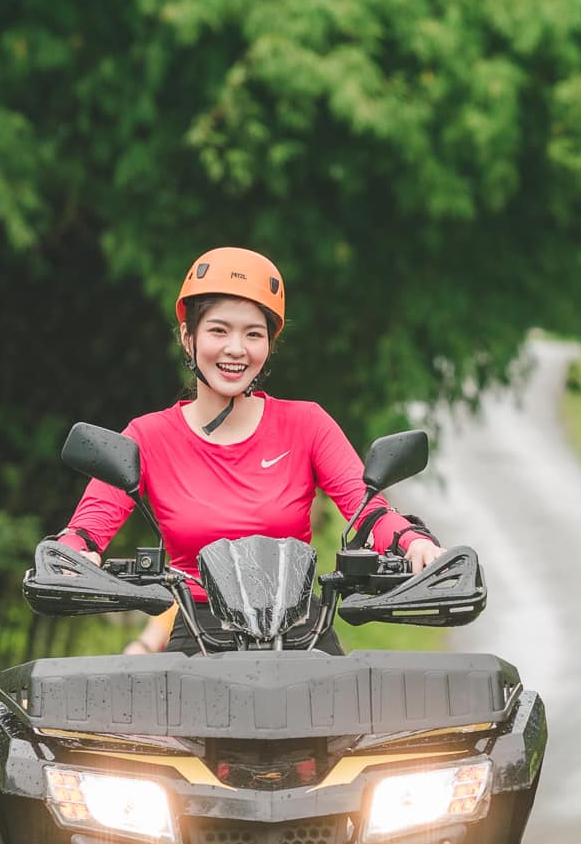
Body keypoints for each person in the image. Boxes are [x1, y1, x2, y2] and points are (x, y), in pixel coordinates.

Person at [53, 246, 443, 654]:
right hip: (198, 641)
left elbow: (369, 511)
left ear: (270, 344)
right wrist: (70, 556)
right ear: (188, 338)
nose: (236, 349)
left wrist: (415, 543)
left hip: (302, 639)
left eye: (253, 334)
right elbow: (86, 530)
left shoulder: (307, 423)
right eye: (219, 330)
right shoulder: (147, 436)